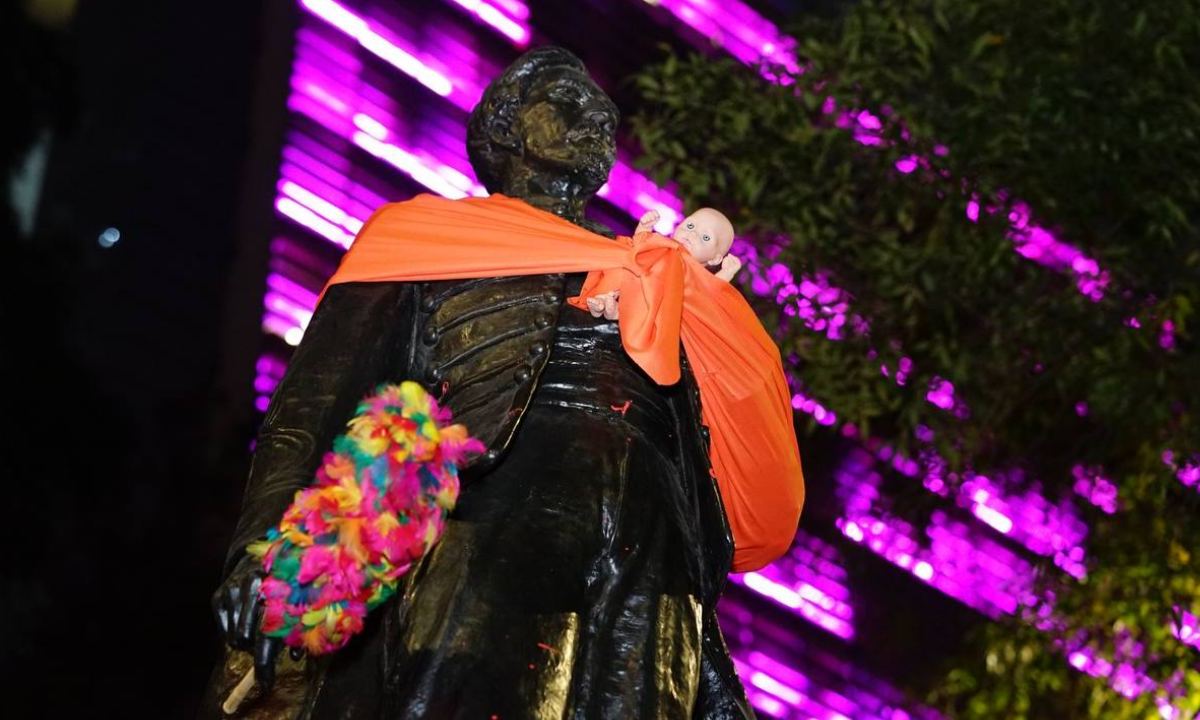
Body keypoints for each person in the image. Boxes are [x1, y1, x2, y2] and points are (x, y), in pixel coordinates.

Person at [199, 47, 766, 719]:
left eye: (599, 108)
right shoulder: (422, 241)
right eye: (565, 101)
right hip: (489, 526)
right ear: (507, 127)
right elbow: (307, 409)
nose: (596, 115)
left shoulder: (643, 268)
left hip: (653, 548)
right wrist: (258, 552)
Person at [586, 207, 742, 322]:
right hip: (633, 280)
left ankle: (616, 312)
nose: (693, 234)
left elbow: (707, 292)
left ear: (715, 259)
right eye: (690, 226)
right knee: (621, 265)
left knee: (662, 304)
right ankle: (601, 301)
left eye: (706, 238)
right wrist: (645, 227)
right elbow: (640, 244)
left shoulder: (694, 274)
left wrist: (725, 274)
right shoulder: (663, 244)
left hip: (653, 303)